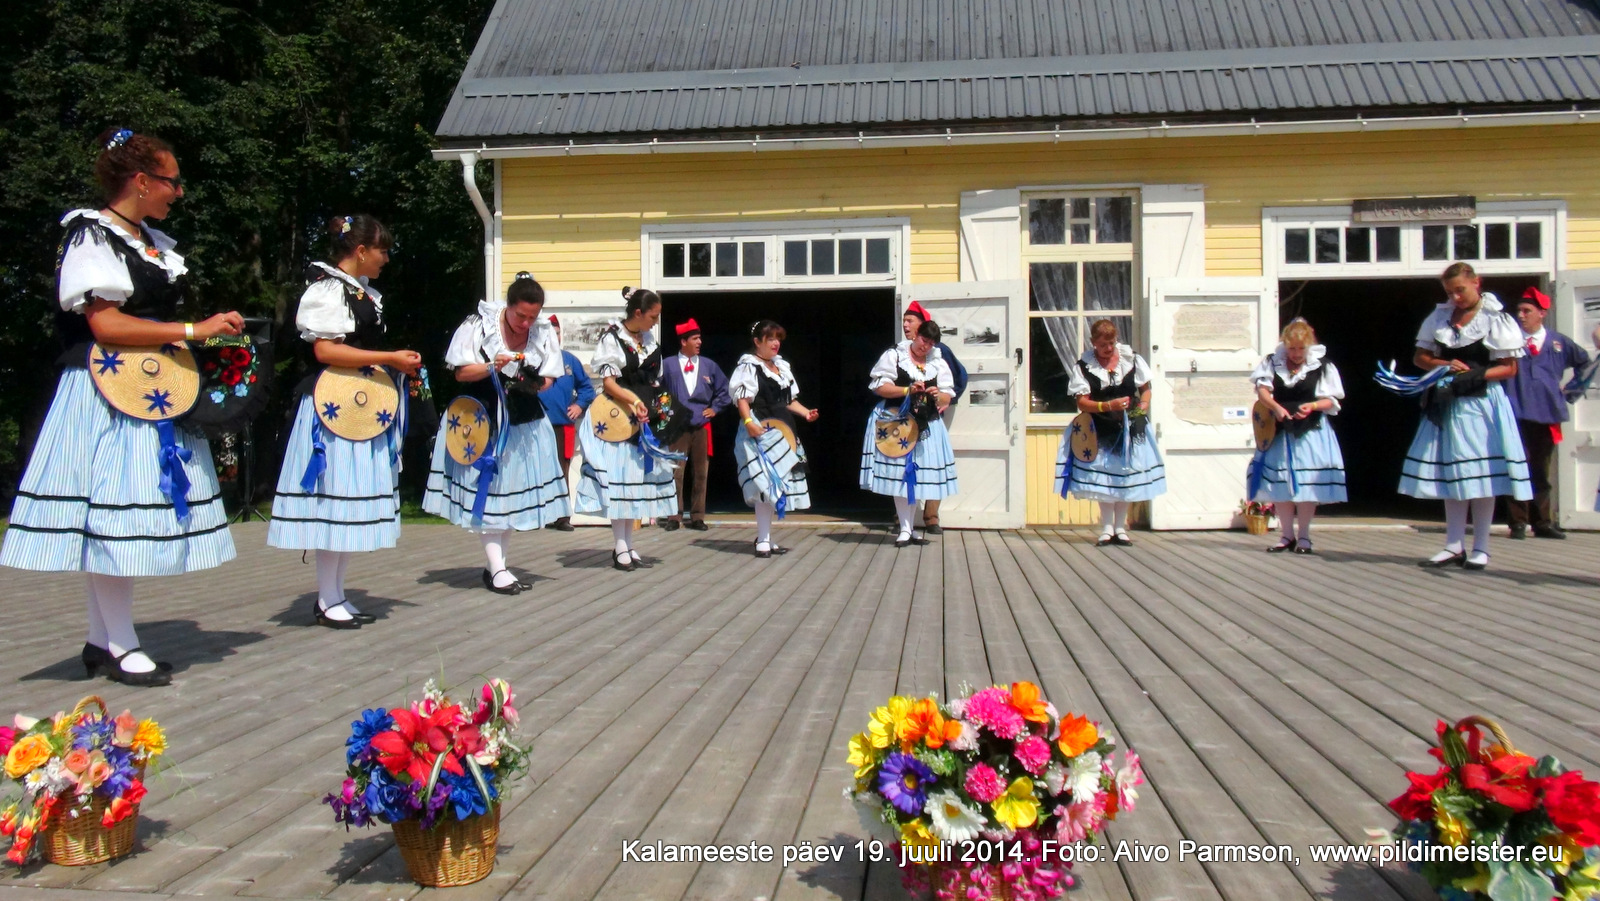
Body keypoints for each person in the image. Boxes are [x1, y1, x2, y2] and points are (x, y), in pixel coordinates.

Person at [0, 128, 243, 686]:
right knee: (114, 517)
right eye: (171, 181)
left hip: (142, 384)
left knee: (113, 517)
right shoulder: (92, 234)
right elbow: (105, 324)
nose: (178, 191)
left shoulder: (148, 241)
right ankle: (121, 644)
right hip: (105, 389)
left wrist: (203, 334)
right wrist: (192, 329)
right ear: (141, 181)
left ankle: (100, 639)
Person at [266, 214, 422, 626]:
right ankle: (326, 597)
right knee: (334, 498)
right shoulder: (328, 288)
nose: (386, 258)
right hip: (331, 407)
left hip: (358, 405)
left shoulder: (359, 291)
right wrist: (388, 357)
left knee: (348, 500)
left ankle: (334, 594)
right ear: (361, 251)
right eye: (382, 251)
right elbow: (326, 351)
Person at [423, 272, 568, 593]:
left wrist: (534, 383)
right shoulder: (480, 324)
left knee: (508, 496)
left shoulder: (543, 332)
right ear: (508, 306)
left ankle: (496, 567)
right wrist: (494, 366)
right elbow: (461, 372)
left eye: (532, 317)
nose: (526, 323)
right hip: (481, 417)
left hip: (522, 419)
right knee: (488, 493)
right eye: (520, 316)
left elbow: (549, 378)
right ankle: (498, 568)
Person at [1403, 262, 1531, 571]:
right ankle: (1453, 544)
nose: (1456, 297)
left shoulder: (1495, 318)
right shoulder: (1440, 317)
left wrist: (1474, 373)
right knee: (1454, 472)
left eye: (1460, 290)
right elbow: (1420, 357)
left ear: (1476, 282)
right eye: (1450, 292)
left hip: (1481, 401)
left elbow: (1509, 368)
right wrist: (1445, 364)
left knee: (1482, 475)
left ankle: (1482, 547)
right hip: (1449, 401)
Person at [575, 287, 686, 571]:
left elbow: (654, 380)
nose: (656, 321)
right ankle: (620, 547)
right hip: (620, 416)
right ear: (638, 313)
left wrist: (659, 407)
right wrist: (635, 401)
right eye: (653, 316)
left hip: (644, 416)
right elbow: (609, 383)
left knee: (634, 481)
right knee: (620, 481)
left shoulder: (648, 340)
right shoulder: (612, 338)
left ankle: (628, 545)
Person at [1053, 318, 1167, 546]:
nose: (1108, 348)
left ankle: (1121, 528)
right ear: (1093, 343)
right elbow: (1082, 402)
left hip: (1130, 426)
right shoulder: (1084, 366)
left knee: (1126, 475)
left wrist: (1143, 405)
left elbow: (1145, 390)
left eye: (1112, 343)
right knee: (1104, 477)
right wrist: (1107, 406)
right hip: (1099, 427)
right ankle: (1106, 529)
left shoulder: (1131, 359)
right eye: (1103, 344)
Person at [1247, 318, 1347, 554]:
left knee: (1306, 484)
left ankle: (1304, 537)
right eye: (1292, 348)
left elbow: (1332, 400)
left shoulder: (1321, 365)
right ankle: (1286, 535)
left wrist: (1313, 406)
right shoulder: (1273, 362)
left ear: (1308, 345)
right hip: (1280, 430)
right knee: (1280, 483)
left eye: (1301, 348)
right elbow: (1262, 391)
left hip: (1310, 431)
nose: (1296, 353)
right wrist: (1275, 407)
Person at [861, 319, 959, 547]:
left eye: (931, 343)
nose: (926, 346)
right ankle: (905, 528)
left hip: (926, 423)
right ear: (915, 335)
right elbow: (879, 387)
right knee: (900, 475)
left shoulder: (937, 361)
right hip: (897, 421)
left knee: (918, 474)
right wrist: (907, 389)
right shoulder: (895, 355)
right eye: (924, 340)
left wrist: (937, 395)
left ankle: (910, 528)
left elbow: (947, 396)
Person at [1503, 286, 1588, 539]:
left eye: (1527, 311)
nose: (1521, 315)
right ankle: (1517, 522)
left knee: (1541, 468)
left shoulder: (1558, 343)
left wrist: (1570, 390)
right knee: (1516, 467)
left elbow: (1585, 363)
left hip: (1546, 414)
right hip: (1515, 414)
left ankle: (1542, 522)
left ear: (1541, 313)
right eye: (1519, 310)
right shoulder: (1509, 342)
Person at [731, 320, 818, 557]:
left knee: (776, 485)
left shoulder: (781, 367)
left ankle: (766, 537)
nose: (776, 343)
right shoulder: (749, 367)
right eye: (770, 339)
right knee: (765, 483)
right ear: (757, 341)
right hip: (762, 430)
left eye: (778, 339)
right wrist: (748, 423)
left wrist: (806, 413)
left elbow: (788, 400)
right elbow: (742, 400)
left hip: (784, 430)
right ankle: (763, 539)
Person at [901, 301, 967, 534]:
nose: (905, 325)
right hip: (906, 418)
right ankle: (903, 518)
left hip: (930, 417)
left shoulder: (939, 351)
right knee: (905, 462)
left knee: (933, 463)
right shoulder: (900, 351)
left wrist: (945, 400)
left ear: (922, 325)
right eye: (904, 320)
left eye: (910, 321)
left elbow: (960, 378)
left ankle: (931, 517)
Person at [661, 318, 730, 531]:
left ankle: (698, 516)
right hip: (677, 426)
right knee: (676, 471)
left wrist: (715, 408)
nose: (699, 342)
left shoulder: (709, 365)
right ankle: (674, 515)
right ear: (684, 341)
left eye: (699, 338)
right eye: (695, 338)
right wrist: (665, 413)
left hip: (701, 426)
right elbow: (657, 390)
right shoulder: (668, 365)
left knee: (701, 472)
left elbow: (726, 390)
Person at [537, 313, 596, 531]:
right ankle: (533, 515)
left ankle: (562, 517)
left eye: (557, 333)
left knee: (561, 469)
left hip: (562, 424)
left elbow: (587, 388)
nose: (555, 338)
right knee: (535, 469)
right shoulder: (533, 359)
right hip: (536, 423)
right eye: (550, 334)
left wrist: (579, 405)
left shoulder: (569, 360)